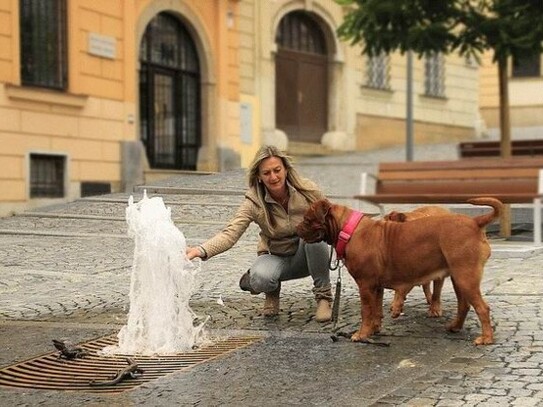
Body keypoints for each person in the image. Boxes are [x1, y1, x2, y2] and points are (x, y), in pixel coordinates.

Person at [186, 145, 333, 322]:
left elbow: (333, 218)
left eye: (277, 170)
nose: (273, 177)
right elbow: (230, 233)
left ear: (286, 169)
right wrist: (200, 250)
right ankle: (268, 288)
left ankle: (323, 298)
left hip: (307, 256)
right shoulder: (254, 201)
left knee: (315, 235)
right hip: (275, 256)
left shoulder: (308, 191)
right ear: (259, 177)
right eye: (267, 173)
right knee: (261, 279)